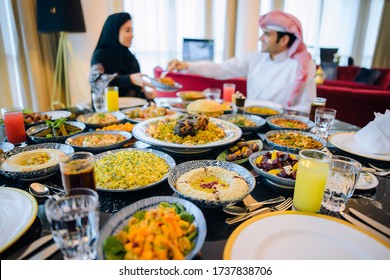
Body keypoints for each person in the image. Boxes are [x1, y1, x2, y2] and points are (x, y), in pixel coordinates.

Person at [167, 10, 316, 112]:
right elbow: (221, 69)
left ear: (283, 39)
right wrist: (187, 65)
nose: (260, 38)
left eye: (267, 34)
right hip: (250, 122)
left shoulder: (302, 67)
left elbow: (306, 107)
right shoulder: (254, 58)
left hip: (280, 129)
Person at [90, 12, 155, 100]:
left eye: (132, 30)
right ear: (115, 31)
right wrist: (130, 79)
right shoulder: (101, 55)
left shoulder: (130, 57)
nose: (132, 35)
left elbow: (137, 91)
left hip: (133, 110)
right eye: (127, 30)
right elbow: (97, 82)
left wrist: (147, 95)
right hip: (109, 111)